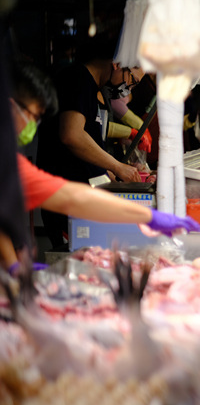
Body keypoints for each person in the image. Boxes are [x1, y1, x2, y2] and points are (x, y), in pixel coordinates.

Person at [1, 64, 199, 268]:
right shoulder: (78, 78)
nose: (32, 126)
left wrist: (148, 216)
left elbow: (72, 197)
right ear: (9, 106)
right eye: (32, 116)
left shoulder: (13, 165)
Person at [37, 34, 146, 249]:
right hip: (65, 201)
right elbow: (72, 135)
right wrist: (116, 166)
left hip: (79, 199)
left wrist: (113, 172)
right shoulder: (77, 79)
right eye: (132, 82)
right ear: (117, 64)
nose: (128, 90)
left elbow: (90, 146)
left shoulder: (94, 88)